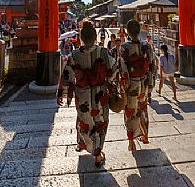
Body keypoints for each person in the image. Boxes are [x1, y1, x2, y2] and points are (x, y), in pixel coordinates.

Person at [57, 21, 116, 167]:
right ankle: (97, 152)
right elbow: (113, 70)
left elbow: (67, 75)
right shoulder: (103, 52)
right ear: (95, 37)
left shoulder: (75, 55)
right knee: (100, 122)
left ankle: (84, 143)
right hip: (100, 94)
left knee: (84, 122)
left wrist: (61, 93)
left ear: (81, 38)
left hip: (82, 95)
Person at [120, 19, 154, 151]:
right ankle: (145, 136)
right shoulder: (147, 46)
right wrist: (150, 84)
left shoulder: (124, 47)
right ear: (139, 31)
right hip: (144, 82)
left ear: (128, 32)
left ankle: (131, 142)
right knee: (142, 109)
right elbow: (152, 65)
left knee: (130, 112)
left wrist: (123, 87)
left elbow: (123, 69)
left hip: (131, 85)